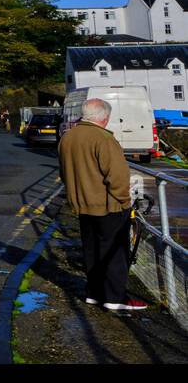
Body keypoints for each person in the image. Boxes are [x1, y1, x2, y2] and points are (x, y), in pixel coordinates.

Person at [58, 98, 146, 311]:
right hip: (109, 205)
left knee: (92, 250)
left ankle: (94, 293)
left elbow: (64, 173)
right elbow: (116, 177)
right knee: (115, 253)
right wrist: (125, 202)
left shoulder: (67, 138)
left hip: (82, 204)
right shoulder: (104, 139)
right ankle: (115, 298)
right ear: (104, 118)